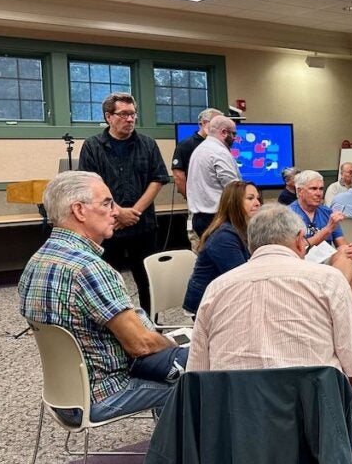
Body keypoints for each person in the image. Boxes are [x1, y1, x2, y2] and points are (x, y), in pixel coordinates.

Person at [19, 172, 187, 422]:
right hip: (103, 393)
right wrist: (175, 347)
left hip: (64, 394)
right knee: (195, 378)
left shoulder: (36, 261)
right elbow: (140, 346)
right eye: (107, 203)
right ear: (79, 210)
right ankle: (179, 457)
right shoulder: (89, 268)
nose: (116, 212)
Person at [188, 205, 352, 383]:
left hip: (236, 410)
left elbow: (197, 376)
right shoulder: (329, 280)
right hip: (312, 409)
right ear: (301, 240)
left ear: (251, 244)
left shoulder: (216, 288)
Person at [77, 92, 167, 316]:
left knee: (148, 281)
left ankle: (152, 325)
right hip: (108, 227)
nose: (130, 119)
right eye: (124, 114)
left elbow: (157, 180)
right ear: (109, 116)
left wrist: (134, 212)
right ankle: (116, 326)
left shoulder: (147, 144)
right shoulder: (92, 146)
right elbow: (90, 185)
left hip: (143, 224)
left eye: (133, 114)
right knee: (107, 282)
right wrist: (117, 212)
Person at [289, 169, 352, 368]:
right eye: (313, 189)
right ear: (299, 191)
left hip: (327, 264)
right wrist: (327, 230)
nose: (319, 193)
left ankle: (345, 332)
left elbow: (340, 243)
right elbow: (301, 248)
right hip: (301, 265)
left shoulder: (326, 212)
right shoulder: (289, 214)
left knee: (346, 258)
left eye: (321, 189)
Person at [182, 180, 261, 313]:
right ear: (234, 203)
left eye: (258, 198)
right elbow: (242, 278)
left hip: (227, 298)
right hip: (207, 306)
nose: (258, 203)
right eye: (250, 198)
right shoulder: (223, 237)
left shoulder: (243, 229)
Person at [170, 107, 224, 250]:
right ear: (204, 123)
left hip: (219, 207)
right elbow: (178, 176)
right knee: (201, 246)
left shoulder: (221, 145)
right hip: (199, 209)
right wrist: (193, 198)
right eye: (217, 124)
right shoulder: (186, 145)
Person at [185, 115, 241, 238]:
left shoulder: (199, 149)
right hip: (217, 218)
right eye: (234, 134)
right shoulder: (219, 152)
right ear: (224, 132)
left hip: (200, 217)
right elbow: (233, 188)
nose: (235, 138)